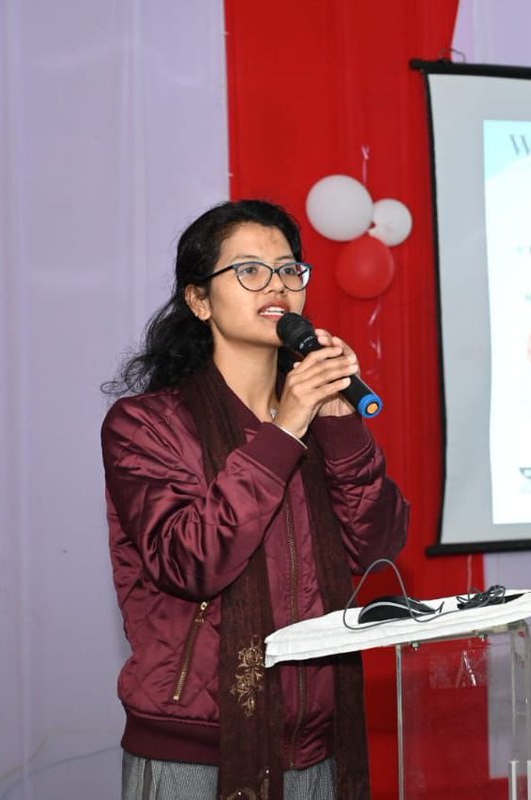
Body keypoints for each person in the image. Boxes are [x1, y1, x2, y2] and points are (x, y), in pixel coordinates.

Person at [101, 199, 408, 800]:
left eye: (290, 270)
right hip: (196, 750)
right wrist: (285, 428)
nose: (277, 285)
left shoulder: (319, 418)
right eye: (250, 270)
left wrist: (340, 422)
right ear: (198, 299)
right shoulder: (145, 425)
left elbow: (378, 548)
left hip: (319, 744)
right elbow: (192, 562)